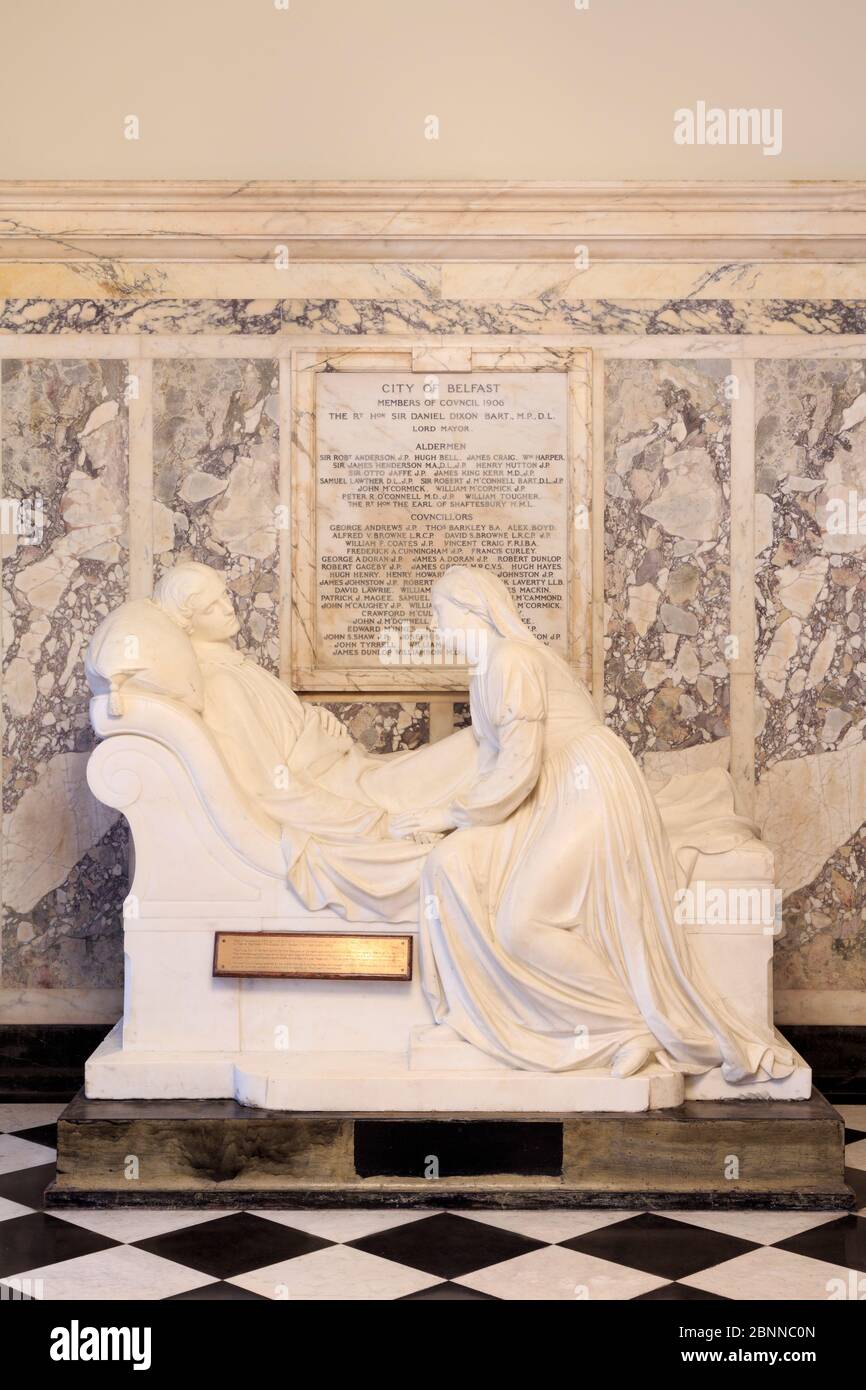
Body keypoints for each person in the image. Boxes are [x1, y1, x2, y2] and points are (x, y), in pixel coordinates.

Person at [388, 565, 794, 1082]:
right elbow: (499, 767)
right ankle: (474, 1015)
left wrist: (447, 813)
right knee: (450, 865)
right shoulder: (486, 671)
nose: (438, 630)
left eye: (441, 615)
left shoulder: (510, 658)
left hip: (585, 790)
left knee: (522, 923)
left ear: (473, 610)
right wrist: (450, 824)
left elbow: (516, 768)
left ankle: (631, 1025)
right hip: (541, 796)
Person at [151, 562, 476, 920]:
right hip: (346, 796)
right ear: (188, 622)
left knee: (481, 748)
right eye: (211, 607)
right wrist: (376, 823)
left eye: (224, 595)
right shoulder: (221, 686)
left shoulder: (237, 668)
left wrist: (317, 728)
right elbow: (272, 790)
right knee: (480, 749)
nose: (228, 607)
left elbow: (287, 739)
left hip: (352, 773)